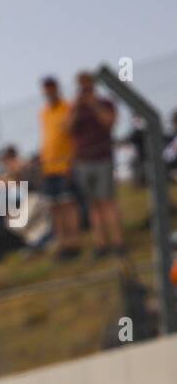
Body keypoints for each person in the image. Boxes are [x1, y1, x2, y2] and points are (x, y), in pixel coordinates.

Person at [69, 71, 124, 257]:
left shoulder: (104, 103)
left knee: (108, 201)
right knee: (93, 204)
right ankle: (100, 244)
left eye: (87, 86)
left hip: (102, 158)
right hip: (83, 161)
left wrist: (94, 104)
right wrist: (77, 106)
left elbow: (110, 122)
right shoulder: (76, 108)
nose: (85, 90)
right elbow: (67, 129)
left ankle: (118, 242)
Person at [39, 76, 80, 259]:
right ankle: (62, 243)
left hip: (65, 165)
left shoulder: (68, 107)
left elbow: (73, 136)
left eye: (51, 88)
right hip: (49, 167)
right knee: (54, 207)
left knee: (67, 205)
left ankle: (73, 242)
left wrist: (72, 161)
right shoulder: (44, 112)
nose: (48, 92)